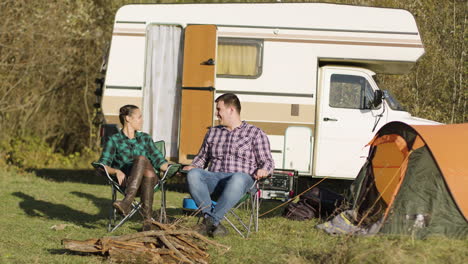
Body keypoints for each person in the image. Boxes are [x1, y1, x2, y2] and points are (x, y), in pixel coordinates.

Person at [183, 93, 274, 237]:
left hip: (242, 182)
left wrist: (264, 169)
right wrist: (193, 166)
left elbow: (267, 161)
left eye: (219, 109)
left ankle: (209, 221)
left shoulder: (255, 133)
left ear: (231, 110)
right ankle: (213, 223)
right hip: (215, 180)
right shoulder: (212, 132)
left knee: (238, 178)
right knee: (193, 174)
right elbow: (201, 159)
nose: (216, 113)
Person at [97, 104, 169, 231]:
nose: (142, 120)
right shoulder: (114, 140)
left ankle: (127, 202)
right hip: (127, 182)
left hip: (152, 184)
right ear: (128, 118)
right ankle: (147, 221)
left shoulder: (145, 138)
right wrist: (116, 171)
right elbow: (103, 165)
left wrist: (177, 168)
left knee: (141, 159)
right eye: (139, 117)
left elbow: (161, 162)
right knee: (148, 172)